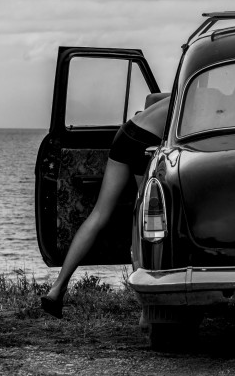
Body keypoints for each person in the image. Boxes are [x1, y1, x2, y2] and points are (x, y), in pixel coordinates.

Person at [40, 95, 171, 318]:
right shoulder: (202, 99)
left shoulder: (179, 90)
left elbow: (150, 100)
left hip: (127, 132)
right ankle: (148, 306)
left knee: (99, 214)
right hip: (145, 142)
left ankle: (57, 289)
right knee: (147, 220)